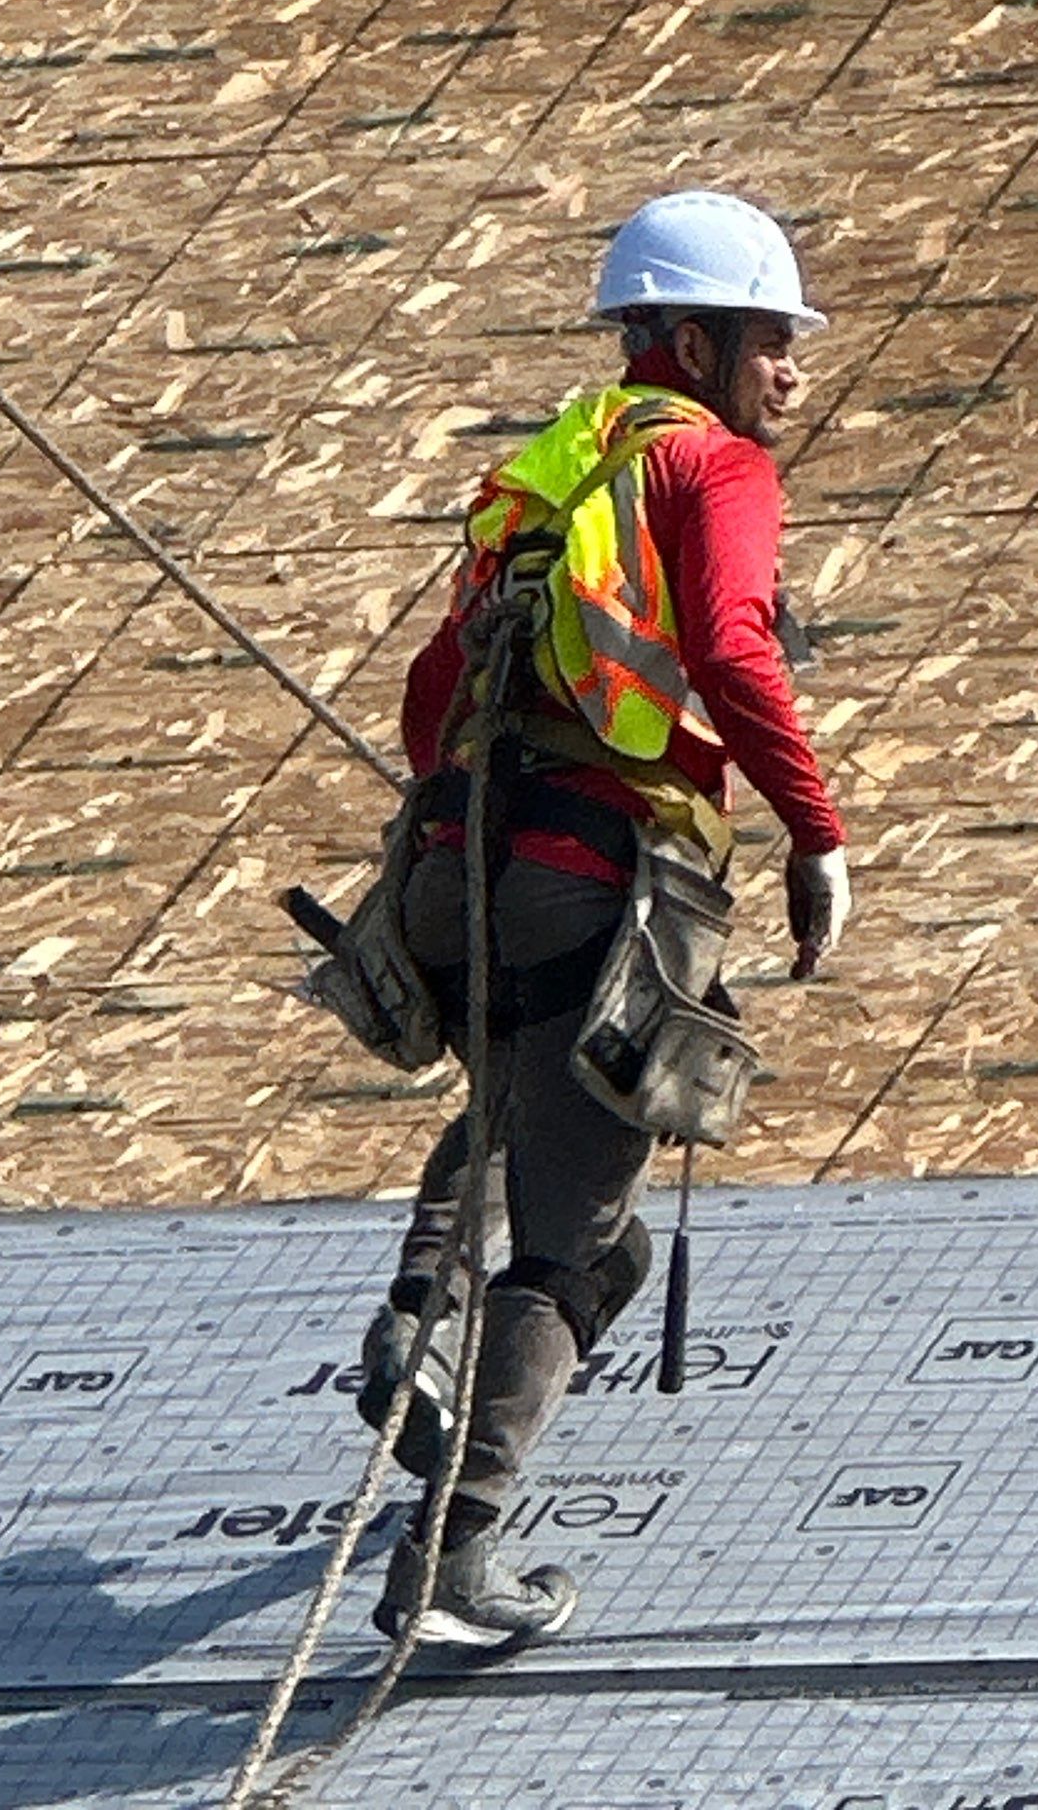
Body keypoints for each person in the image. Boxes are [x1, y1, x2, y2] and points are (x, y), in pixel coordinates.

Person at [359, 190, 851, 1647]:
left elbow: (427, 700)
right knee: (573, 1242)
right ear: (691, 344)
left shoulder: (557, 470)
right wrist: (814, 835)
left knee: (522, 1118)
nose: (790, 373)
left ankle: (420, 1324)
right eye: (770, 341)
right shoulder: (709, 468)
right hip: (593, 874)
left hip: (456, 861)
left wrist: (481, 807)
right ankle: (456, 1557)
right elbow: (732, 647)